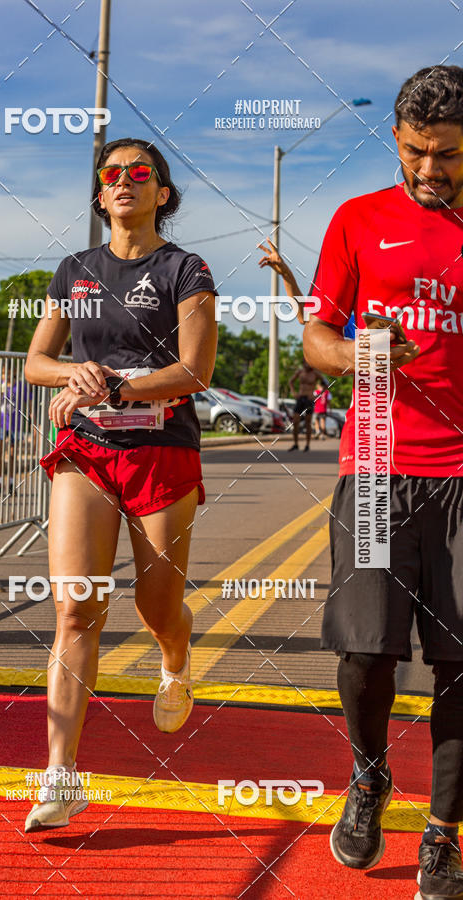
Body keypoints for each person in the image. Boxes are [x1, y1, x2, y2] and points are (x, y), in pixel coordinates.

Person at [23, 137, 217, 833]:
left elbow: (194, 371)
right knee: (76, 609)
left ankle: (175, 658)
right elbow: (36, 361)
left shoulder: (185, 270)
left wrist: (114, 381)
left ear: (162, 193)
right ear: (100, 194)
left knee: (156, 603)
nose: (126, 182)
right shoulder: (75, 271)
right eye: (113, 174)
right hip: (87, 450)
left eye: (142, 173)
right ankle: (60, 775)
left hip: (163, 451)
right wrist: (74, 376)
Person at [303, 66, 463, 900]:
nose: (427, 171)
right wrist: (367, 354)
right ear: (397, 139)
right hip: (375, 471)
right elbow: (318, 339)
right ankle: (369, 776)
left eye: (444, 156)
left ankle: (444, 832)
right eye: (413, 152)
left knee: (461, 662)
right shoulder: (359, 219)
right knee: (365, 651)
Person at [287, 361, 318, 451]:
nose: (307, 365)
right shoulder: (300, 372)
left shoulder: (315, 373)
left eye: (308, 363)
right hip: (300, 398)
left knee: (308, 423)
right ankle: (296, 444)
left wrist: (316, 396)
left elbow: (326, 384)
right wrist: (293, 392)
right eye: (305, 363)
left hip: (309, 400)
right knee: (295, 421)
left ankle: (307, 445)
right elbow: (291, 382)